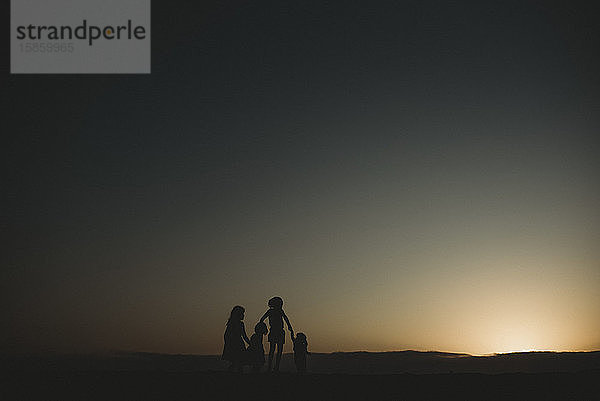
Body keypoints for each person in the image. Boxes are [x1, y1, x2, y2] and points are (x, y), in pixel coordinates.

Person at [259, 296, 293, 372]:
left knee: (273, 349)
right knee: (277, 350)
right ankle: (274, 367)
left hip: (276, 331)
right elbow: (286, 318)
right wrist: (289, 327)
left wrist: (289, 326)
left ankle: (272, 367)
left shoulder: (273, 311)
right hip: (277, 331)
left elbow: (262, 319)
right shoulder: (277, 311)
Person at [222, 305, 250, 372]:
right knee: (238, 361)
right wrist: (250, 343)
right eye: (242, 313)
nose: (243, 315)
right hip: (237, 344)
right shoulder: (237, 324)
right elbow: (244, 336)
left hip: (237, 343)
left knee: (237, 362)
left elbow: (226, 335)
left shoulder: (233, 323)